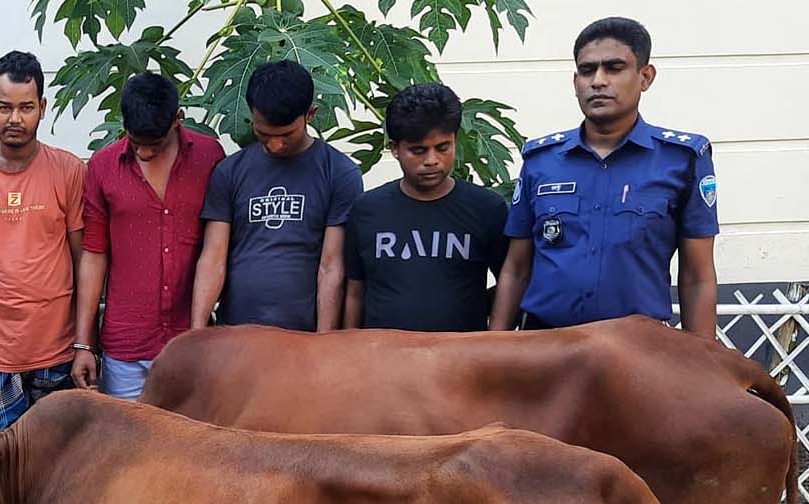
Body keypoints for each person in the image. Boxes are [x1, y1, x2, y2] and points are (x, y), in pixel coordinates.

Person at [490, 16, 718, 339]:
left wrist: (703, 364)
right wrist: (495, 345)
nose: (598, 80)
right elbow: (516, 269)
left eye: (614, 68)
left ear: (645, 76)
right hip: (545, 348)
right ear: (575, 81)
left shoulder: (681, 160)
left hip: (639, 351)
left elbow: (697, 275)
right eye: (587, 70)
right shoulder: (541, 161)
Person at [0, 51, 86, 434]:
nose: (15, 118)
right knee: (1, 460)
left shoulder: (69, 170)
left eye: (26, 107)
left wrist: (84, 342)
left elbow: (83, 260)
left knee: (57, 467)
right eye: (5, 107)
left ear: (42, 107)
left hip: (57, 349)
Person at [72, 72, 226, 399]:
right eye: (135, 141)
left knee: (193, 446)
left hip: (189, 344)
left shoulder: (209, 156)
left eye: (152, 144)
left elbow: (217, 250)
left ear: (176, 121)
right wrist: (84, 343)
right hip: (125, 344)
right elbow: (94, 254)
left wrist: (200, 338)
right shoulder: (102, 166)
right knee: (128, 446)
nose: (142, 152)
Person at [190, 60, 362, 332]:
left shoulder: (339, 173)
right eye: (263, 133)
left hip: (302, 339)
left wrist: (324, 340)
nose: (274, 145)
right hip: (237, 334)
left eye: (286, 135)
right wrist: (197, 333)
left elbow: (332, 266)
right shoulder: (229, 172)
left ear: (310, 114)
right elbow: (213, 258)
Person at [342, 83, 508, 331]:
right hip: (382, 360)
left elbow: (512, 280)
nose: (432, 161)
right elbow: (355, 291)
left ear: (455, 141)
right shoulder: (367, 210)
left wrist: (494, 339)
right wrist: (350, 349)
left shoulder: (487, 209)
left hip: (461, 361)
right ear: (395, 149)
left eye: (443, 148)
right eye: (418, 151)